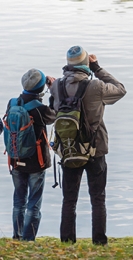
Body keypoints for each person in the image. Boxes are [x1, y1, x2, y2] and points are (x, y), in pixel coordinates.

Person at [49, 46, 126, 245]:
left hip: (68, 149)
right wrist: (98, 68)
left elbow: (53, 110)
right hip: (95, 148)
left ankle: (67, 240)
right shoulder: (97, 86)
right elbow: (120, 89)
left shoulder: (56, 86)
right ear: (86, 64)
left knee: (69, 199)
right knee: (98, 198)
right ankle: (99, 241)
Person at [5, 69, 56, 241]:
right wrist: (53, 91)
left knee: (19, 201)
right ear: (41, 88)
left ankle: (17, 236)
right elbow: (55, 114)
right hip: (37, 162)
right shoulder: (41, 109)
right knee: (33, 203)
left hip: (16, 159)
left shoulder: (12, 103)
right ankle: (28, 239)